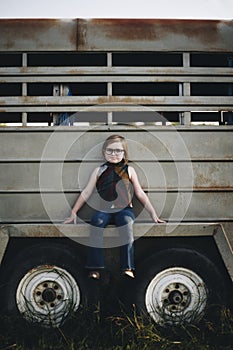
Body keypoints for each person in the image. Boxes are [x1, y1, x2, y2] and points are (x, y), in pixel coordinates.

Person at [64, 135, 165, 279]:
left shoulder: (129, 170)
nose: (114, 154)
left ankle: (127, 267)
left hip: (124, 210)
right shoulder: (99, 171)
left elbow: (140, 193)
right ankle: (95, 268)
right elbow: (87, 192)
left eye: (118, 151)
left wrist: (153, 214)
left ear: (124, 153)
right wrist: (74, 212)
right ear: (104, 152)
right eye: (110, 151)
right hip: (104, 210)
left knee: (126, 223)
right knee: (96, 222)